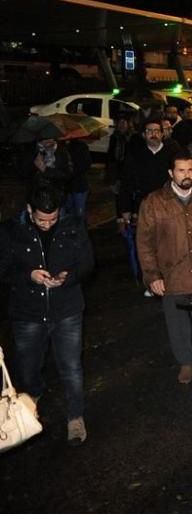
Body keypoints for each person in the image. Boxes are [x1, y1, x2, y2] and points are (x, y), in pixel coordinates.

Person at [1, 187, 94, 445]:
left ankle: (75, 417)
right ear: (30, 211)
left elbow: (87, 264)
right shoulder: (10, 231)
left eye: (52, 219)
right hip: (27, 313)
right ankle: (31, 407)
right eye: (42, 219)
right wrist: (29, 276)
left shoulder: (72, 225)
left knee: (71, 368)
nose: (47, 224)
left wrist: (68, 277)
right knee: (28, 369)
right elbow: (3, 269)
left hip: (67, 310)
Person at [136, 152, 192, 387]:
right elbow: (144, 242)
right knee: (177, 325)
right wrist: (152, 275)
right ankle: (185, 362)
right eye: (181, 171)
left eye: (190, 170)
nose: (186, 175)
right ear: (171, 173)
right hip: (172, 273)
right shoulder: (154, 202)